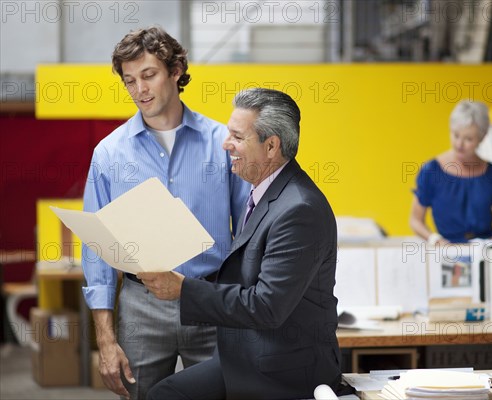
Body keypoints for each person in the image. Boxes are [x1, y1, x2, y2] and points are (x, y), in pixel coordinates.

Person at [138, 88, 342, 400]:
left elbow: (267, 306)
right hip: (251, 355)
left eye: (237, 136)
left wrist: (183, 288)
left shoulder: (300, 209)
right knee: (164, 393)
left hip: (284, 370)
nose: (225, 144)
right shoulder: (266, 194)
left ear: (271, 146)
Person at [81, 26, 249, 399]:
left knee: (224, 394)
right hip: (141, 306)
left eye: (148, 75)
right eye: (129, 81)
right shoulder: (108, 155)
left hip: (210, 298)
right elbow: (97, 254)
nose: (139, 89)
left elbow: (249, 232)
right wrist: (106, 342)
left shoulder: (223, 144)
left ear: (175, 71)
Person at [409, 100, 492, 244]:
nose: (459, 145)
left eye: (468, 139)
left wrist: (487, 245)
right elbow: (415, 220)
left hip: (484, 253)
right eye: (456, 135)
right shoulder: (431, 171)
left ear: (482, 138)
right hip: (446, 251)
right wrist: (436, 240)